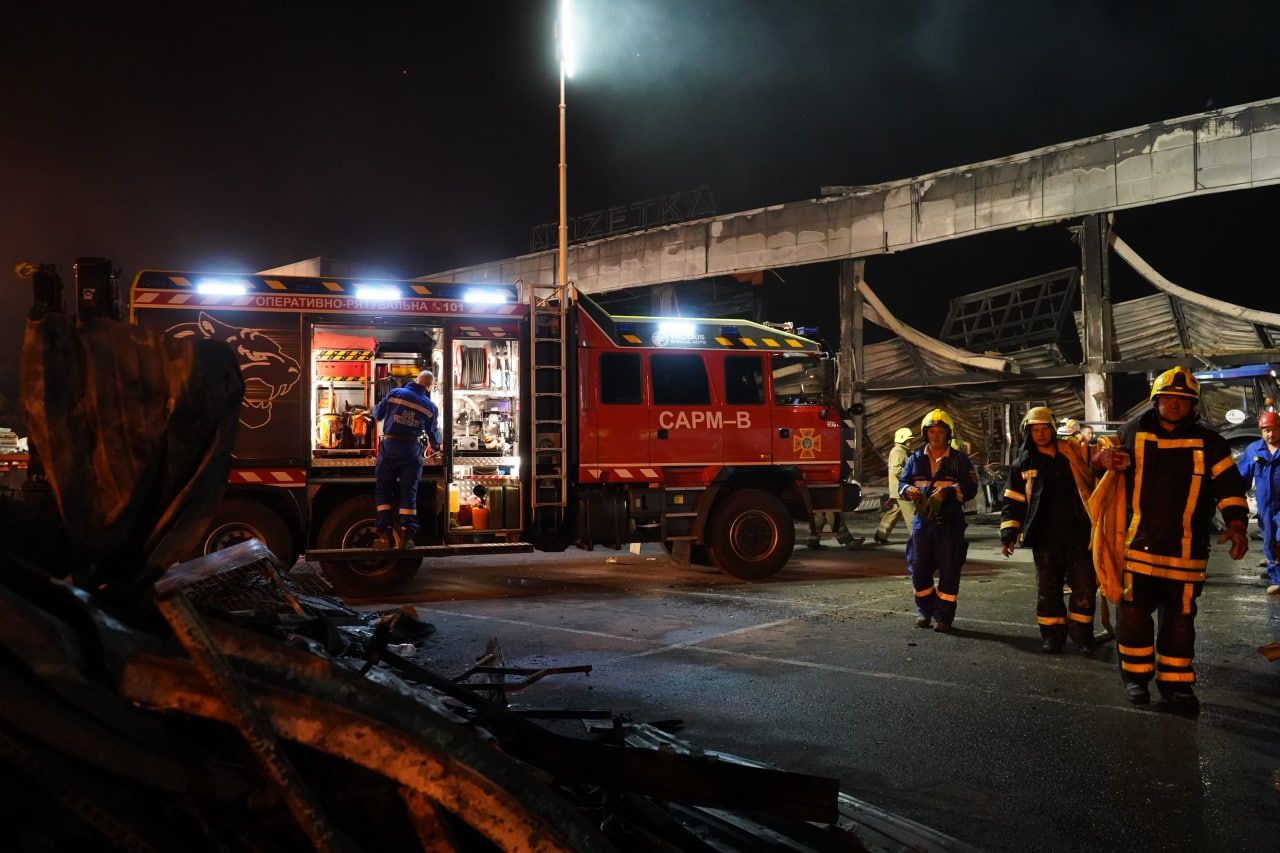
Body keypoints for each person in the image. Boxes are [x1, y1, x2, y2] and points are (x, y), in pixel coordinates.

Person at [1094, 366, 1249, 711]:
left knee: (1180, 622)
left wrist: (1237, 524)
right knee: (1133, 617)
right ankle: (1136, 679)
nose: (1174, 404)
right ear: (1156, 400)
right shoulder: (1132, 432)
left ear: (1193, 405)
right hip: (1137, 547)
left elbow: (1229, 487)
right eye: (1167, 398)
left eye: (1183, 399)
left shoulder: (1211, 443)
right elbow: (1099, 465)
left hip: (1186, 551)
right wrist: (1102, 460)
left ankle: (1177, 684)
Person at [999, 407, 1099, 655]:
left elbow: (1096, 470)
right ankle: (1053, 637)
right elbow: (1013, 501)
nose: (1041, 434)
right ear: (1028, 433)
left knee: (1085, 587)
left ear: (1053, 431)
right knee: (1048, 590)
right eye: (1035, 430)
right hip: (1045, 536)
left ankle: (1082, 636)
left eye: (1045, 429)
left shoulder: (1072, 453)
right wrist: (1008, 534)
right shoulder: (1023, 464)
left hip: (1079, 533)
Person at [899, 408, 978, 633]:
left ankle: (943, 617)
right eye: (931, 431)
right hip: (923, 524)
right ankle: (925, 611)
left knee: (949, 571)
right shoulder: (915, 458)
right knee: (919, 569)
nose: (935, 436)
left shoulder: (959, 460)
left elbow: (971, 488)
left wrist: (949, 492)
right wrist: (909, 490)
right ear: (925, 433)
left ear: (948, 434)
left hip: (949, 525)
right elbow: (902, 483)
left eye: (940, 432)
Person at [372, 369, 441, 548]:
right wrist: (437, 447)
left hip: (389, 448)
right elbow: (433, 435)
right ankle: (406, 537)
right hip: (411, 451)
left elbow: (377, 414)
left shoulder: (395, 393)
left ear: (416, 380)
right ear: (430, 386)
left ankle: (385, 536)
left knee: (383, 491)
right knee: (409, 493)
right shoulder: (430, 407)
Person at [1237, 410, 1280, 594]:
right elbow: (1242, 478)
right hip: (1266, 507)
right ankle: (1277, 578)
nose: (1271, 434)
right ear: (1261, 431)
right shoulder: (1253, 450)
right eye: (1266, 430)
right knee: (1269, 541)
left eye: (1274, 429)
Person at [875, 427, 915, 544]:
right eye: (909, 440)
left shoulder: (902, 451)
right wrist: (911, 475)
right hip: (902, 490)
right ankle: (917, 538)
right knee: (912, 513)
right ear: (902, 439)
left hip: (897, 489)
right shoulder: (898, 451)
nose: (911, 442)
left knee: (893, 512)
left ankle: (881, 536)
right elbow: (896, 470)